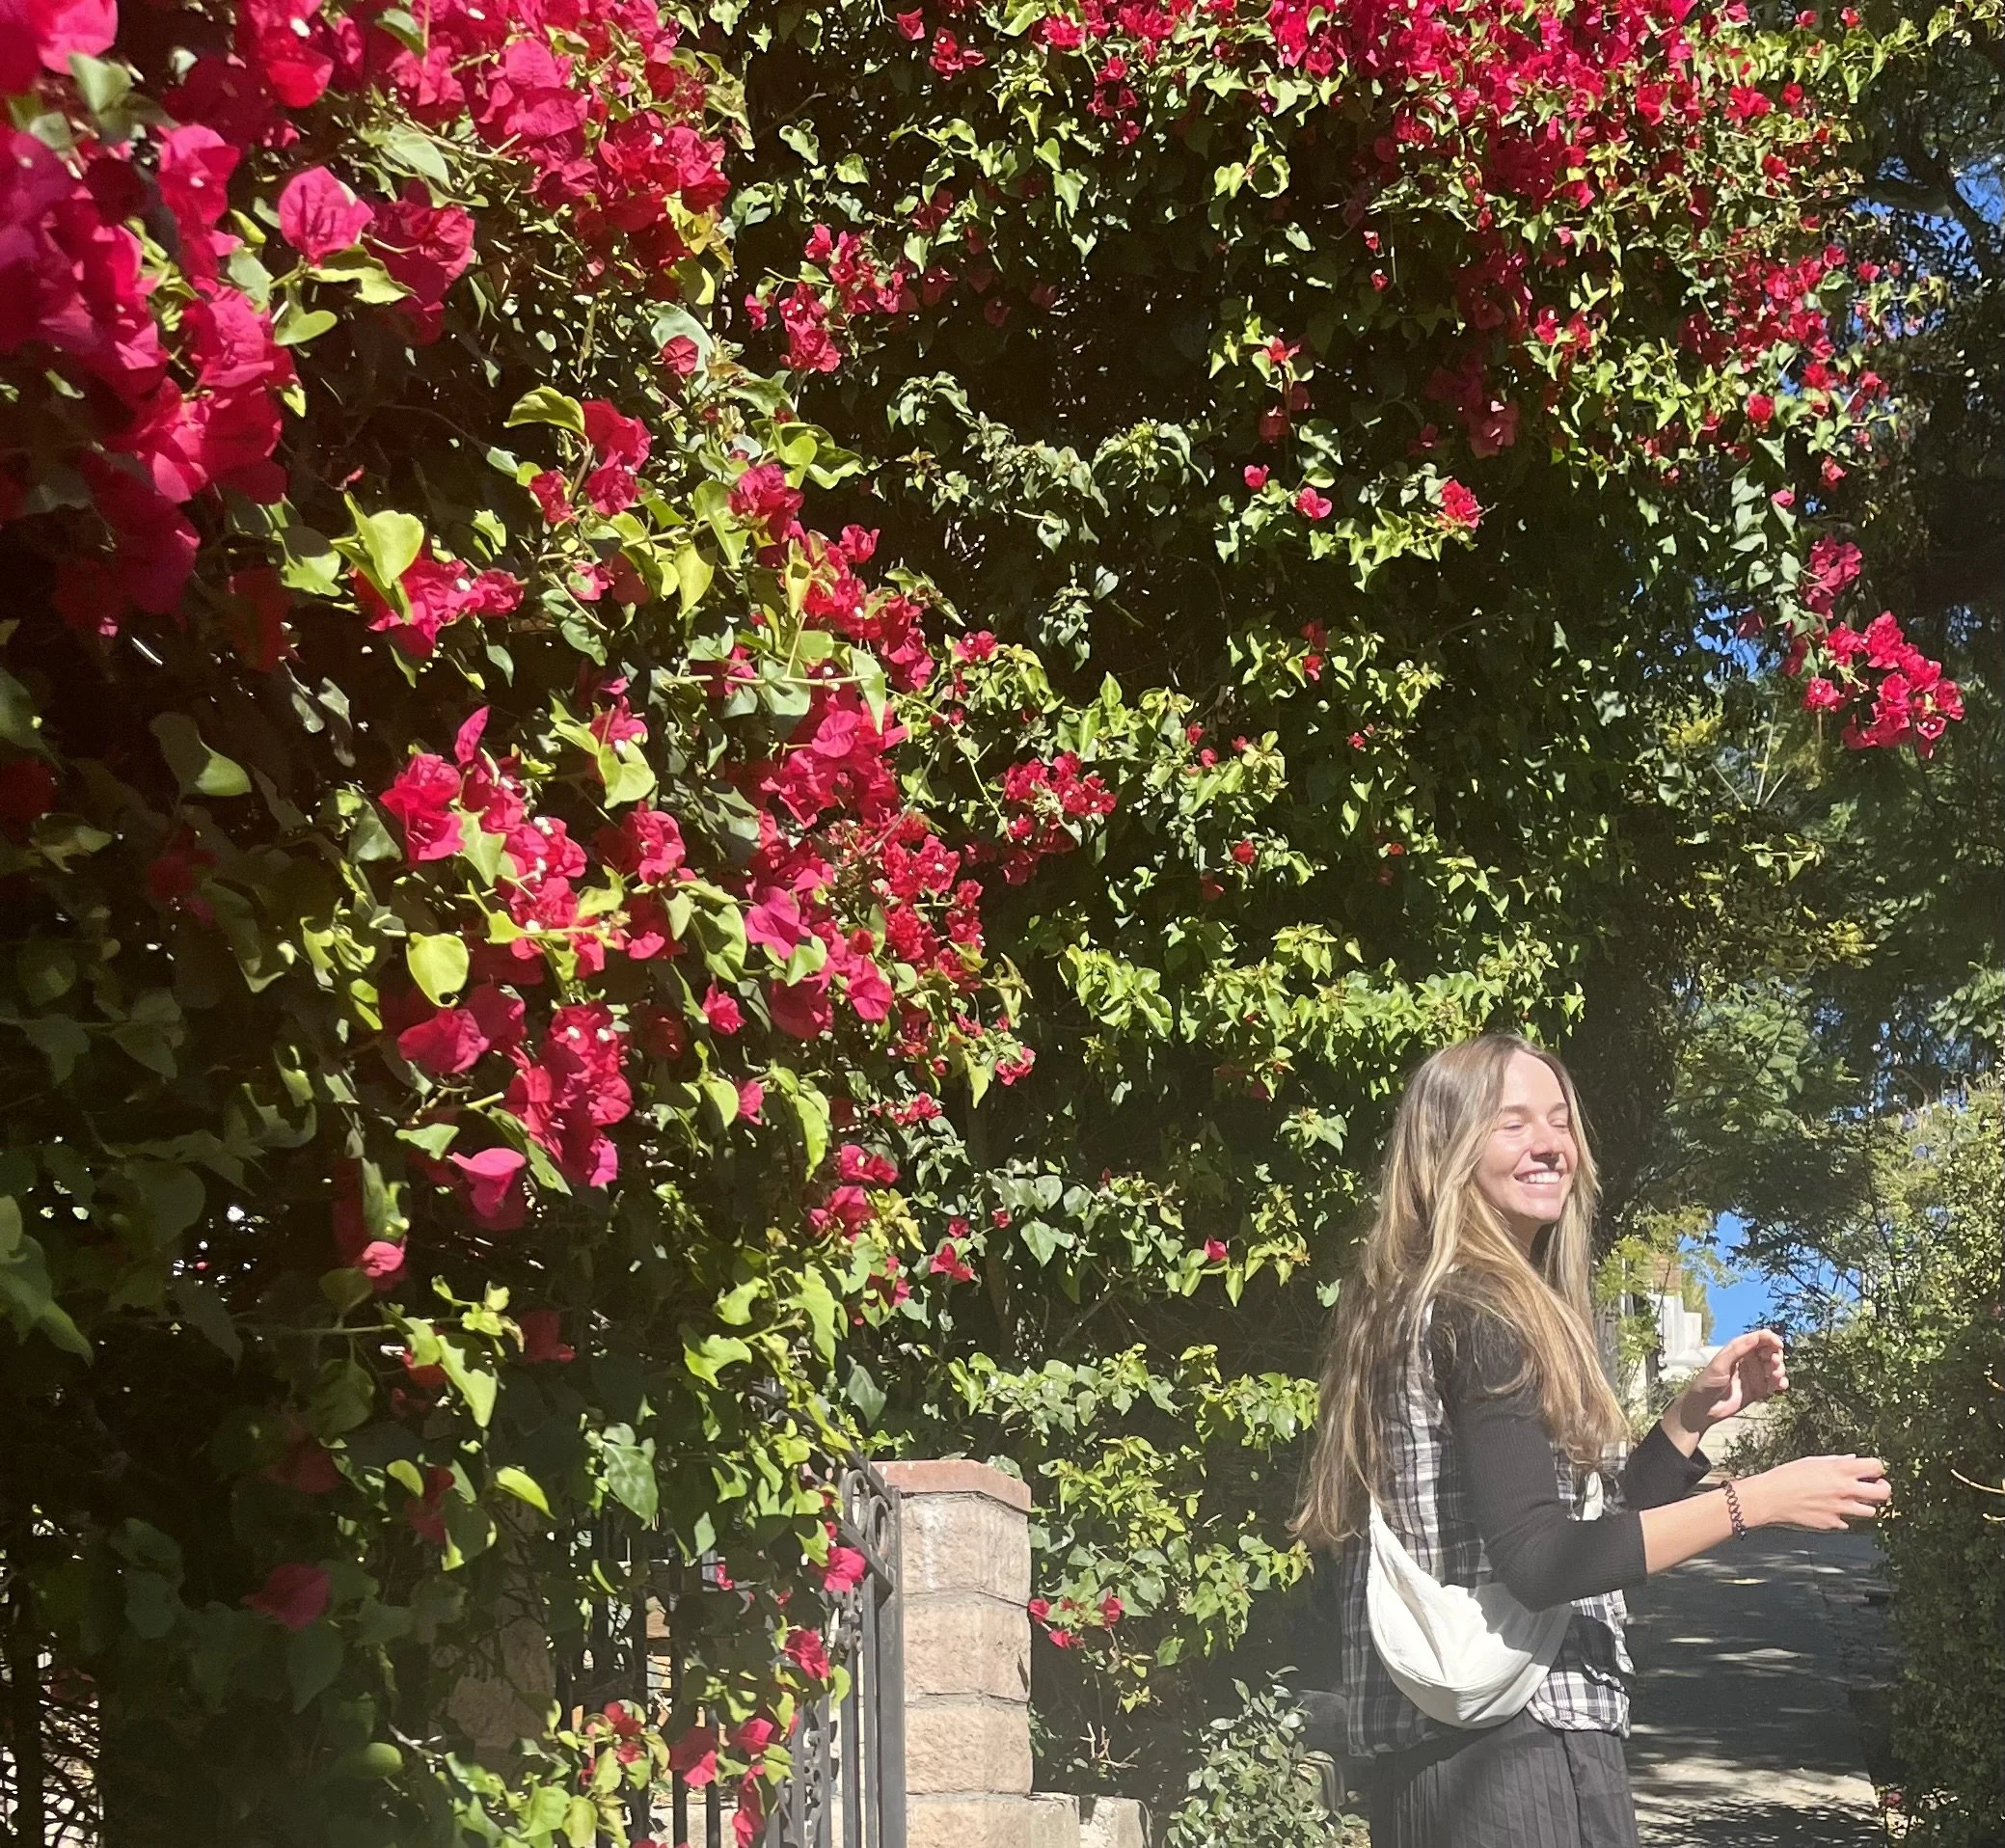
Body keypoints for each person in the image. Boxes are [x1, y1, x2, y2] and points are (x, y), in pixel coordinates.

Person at [1293, 1034, 1891, 1848]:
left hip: (1441, 1761)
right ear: (1447, 1150)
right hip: (1518, 1762)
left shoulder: (1419, 1303)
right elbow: (1541, 1564)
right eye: (1510, 1124)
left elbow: (1580, 1545)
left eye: (1559, 1120)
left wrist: (1685, 1422)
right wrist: (1756, 1503)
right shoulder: (1482, 1313)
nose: (1549, 1144)